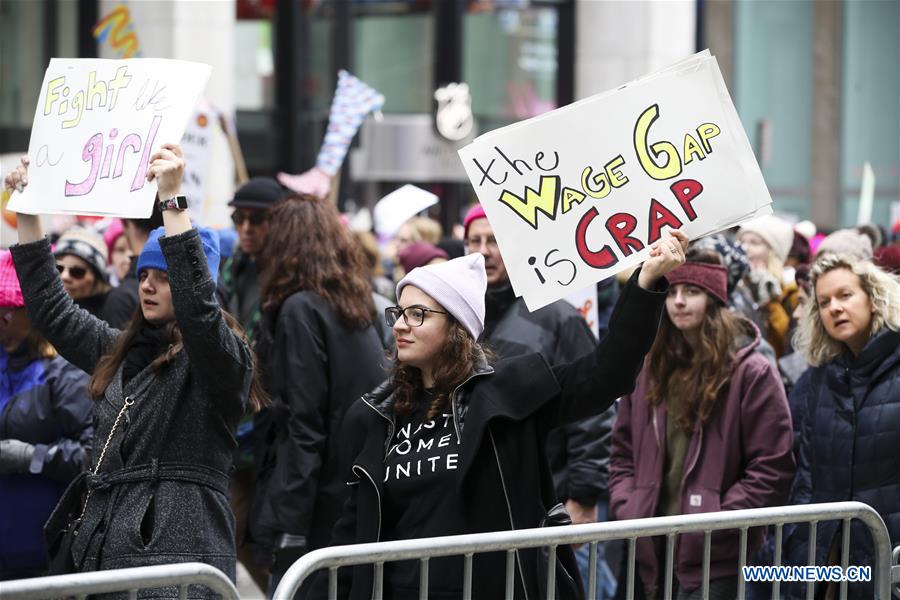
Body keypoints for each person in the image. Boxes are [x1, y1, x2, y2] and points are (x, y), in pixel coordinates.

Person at [313, 229, 688, 600]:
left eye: (417, 315)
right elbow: (352, 533)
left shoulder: (509, 393)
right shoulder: (377, 416)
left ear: (457, 327)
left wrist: (645, 282)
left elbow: (607, 374)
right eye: (398, 313)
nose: (398, 325)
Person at [5, 147, 265, 595]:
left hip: (178, 560)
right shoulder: (118, 349)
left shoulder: (223, 357)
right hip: (105, 552)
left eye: (163, 277)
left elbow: (200, 314)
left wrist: (172, 201)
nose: (147, 284)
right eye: (145, 274)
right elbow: (50, 308)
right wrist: (28, 207)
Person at [609, 257, 795, 600]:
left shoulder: (752, 372)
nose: (678, 301)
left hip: (718, 555)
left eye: (691, 291)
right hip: (651, 543)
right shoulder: (650, 366)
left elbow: (772, 466)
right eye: (672, 292)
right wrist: (628, 505)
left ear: (714, 299)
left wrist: (718, 519)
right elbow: (622, 451)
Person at [464, 204, 619, 598]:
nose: (484, 251)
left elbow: (593, 415)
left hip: (547, 502)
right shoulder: (457, 321)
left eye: (494, 241)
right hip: (476, 503)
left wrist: (584, 497)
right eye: (475, 241)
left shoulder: (557, 318)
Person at [249, 193, 387, 592]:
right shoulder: (355, 302)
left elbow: (303, 423)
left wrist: (289, 527)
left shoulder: (300, 309)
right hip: (350, 494)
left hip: (315, 510)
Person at [784, 254, 900, 600]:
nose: (834, 308)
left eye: (845, 295)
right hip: (829, 561)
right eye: (823, 302)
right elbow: (806, 476)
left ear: (873, 297)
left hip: (889, 559)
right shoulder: (821, 377)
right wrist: (796, 546)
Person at [0, 250, 93, 580]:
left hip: (44, 552)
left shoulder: (63, 373)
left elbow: (92, 456)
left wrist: (31, 457)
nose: (3, 321)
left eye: (11, 311)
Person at [220, 176, 289, 595]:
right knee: (237, 530)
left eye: (256, 219)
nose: (245, 227)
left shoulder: (289, 277)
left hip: (274, 429)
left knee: (262, 536)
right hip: (237, 427)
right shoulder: (233, 270)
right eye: (239, 218)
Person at [737, 215, 798, 357]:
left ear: (773, 251)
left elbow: (788, 343)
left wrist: (771, 303)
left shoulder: (791, 289)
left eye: (755, 243)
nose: (745, 248)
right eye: (742, 241)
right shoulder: (736, 286)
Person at [53, 226, 113, 319]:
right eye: (59, 268)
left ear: (96, 278)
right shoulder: (48, 308)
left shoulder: (111, 312)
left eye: (77, 272)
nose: (64, 276)